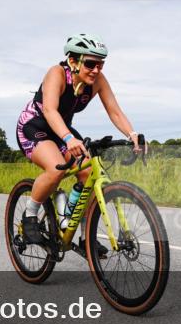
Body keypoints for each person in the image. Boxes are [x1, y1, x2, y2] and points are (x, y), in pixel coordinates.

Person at [15, 34, 144, 259]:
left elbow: (114, 110)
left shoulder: (98, 81)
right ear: (73, 61)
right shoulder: (57, 73)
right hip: (35, 126)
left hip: (62, 129)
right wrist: (67, 138)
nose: (96, 70)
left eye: (100, 64)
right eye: (90, 63)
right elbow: (49, 111)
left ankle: (86, 238)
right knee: (56, 168)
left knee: (88, 172)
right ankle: (30, 216)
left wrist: (132, 134)